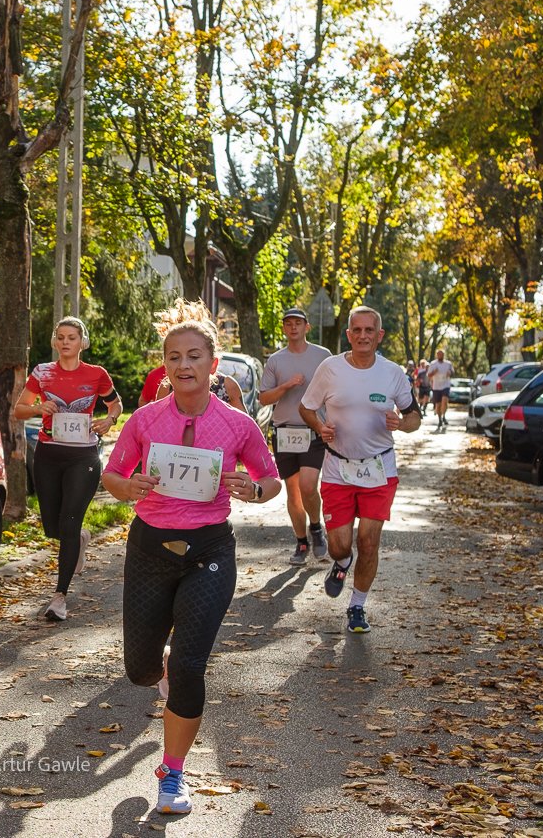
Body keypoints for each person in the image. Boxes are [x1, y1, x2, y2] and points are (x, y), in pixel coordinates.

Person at [102, 313, 282, 815]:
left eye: (194, 356)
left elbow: (271, 480)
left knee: (188, 665)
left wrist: (254, 489)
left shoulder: (238, 424)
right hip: (150, 547)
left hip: (209, 551)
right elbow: (112, 475)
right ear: (164, 366)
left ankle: (173, 772)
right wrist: (128, 488)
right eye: (174, 357)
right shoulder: (144, 420)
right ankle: (160, 667)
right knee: (141, 669)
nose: (184, 365)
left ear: (213, 364)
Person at [298, 306, 420, 634]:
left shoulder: (393, 373)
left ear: (379, 335)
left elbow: (414, 418)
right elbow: (306, 407)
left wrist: (401, 423)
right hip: (337, 468)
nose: (363, 336)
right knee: (340, 545)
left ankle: (357, 606)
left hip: (379, 469)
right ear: (348, 334)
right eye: (357, 330)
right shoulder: (330, 369)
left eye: (369, 330)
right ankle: (341, 562)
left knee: (368, 541)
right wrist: (320, 426)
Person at [13, 317, 122, 621]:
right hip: (48, 453)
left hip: (83, 456)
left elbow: (115, 404)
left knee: (69, 522)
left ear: (82, 342)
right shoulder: (42, 373)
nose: (65, 342)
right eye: (60, 337)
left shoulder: (96, 374)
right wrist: (38, 408)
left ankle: (59, 597)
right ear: (54, 341)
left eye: (71, 337)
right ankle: (79, 538)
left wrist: (109, 420)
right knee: (53, 527)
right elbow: (19, 409)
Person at [259, 307, 332, 566]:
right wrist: (286, 385)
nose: (293, 327)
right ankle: (301, 542)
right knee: (293, 491)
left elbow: (335, 390)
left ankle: (316, 527)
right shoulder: (275, 360)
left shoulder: (323, 356)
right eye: (288, 323)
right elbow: (264, 398)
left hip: (313, 429)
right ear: (283, 328)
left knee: (308, 486)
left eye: (298, 323)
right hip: (285, 431)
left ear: (306, 327)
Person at [426, 349, 455, 431]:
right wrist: (434, 372)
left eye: (441, 354)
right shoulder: (433, 364)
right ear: (437, 355)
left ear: (444, 355)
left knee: (444, 401)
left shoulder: (448, 364)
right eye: (439, 354)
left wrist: (450, 373)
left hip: (446, 385)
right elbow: (428, 375)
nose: (440, 356)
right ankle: (440, 419)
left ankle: (444, 415)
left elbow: (453, 372)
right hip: (436, 387)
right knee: (438, 404)